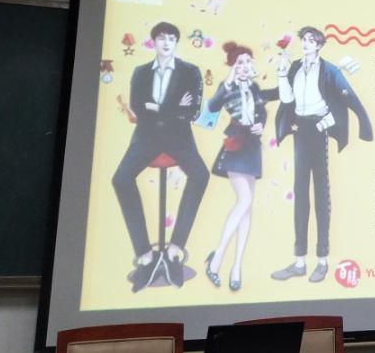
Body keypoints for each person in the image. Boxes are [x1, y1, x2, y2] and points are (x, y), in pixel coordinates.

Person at [111, 21, 209, 291]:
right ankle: (145, 255)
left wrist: (157, 107)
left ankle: (175, 250)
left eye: (171, 39)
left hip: (178, 137)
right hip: (147, 135)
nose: (166, 43)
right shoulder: (141, 72)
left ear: (176, 43)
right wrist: (172, 107)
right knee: (120, 179)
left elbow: (192, 111)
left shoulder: (190, 71)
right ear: (154, 41)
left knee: (201, 175)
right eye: (162, 38)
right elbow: (138, 108)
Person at [270, 26, 372, 284]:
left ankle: (323, 260)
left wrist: (361, 125)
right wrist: (281, 72)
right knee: (300, 193)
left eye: (311, 40)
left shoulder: (329, 70)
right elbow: (287, 99)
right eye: (303, 39)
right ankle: (299, 262)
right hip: (300, 130)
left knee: (321, 194)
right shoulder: (294, 67)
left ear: (319, 45)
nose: (305, 43)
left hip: (319, 130)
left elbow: (346, 101)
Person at [202, 42, 277, 292]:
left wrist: (260, 125)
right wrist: (228, 80)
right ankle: (217, 257)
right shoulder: (228, 87)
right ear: (232, 66)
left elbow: (262, 111)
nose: (245, 66)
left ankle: (236, 266)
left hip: (252, 145)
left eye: (247, 61)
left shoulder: (254, 87)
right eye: (239, 62)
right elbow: (212, 106)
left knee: (247, 207)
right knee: (244, 200)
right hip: (235, 143)